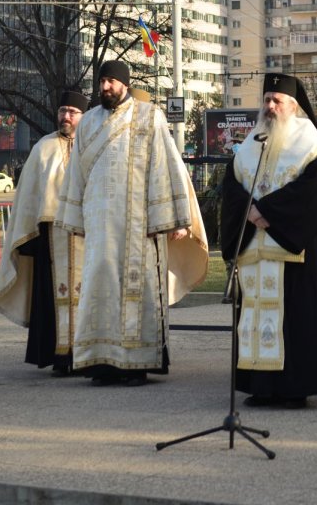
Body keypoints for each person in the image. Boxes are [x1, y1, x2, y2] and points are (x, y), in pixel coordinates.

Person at [55, 61, 208, 386]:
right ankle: (102, 364)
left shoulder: (149, 116)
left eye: (111, 81)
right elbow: (76, 174)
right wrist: (74, 218)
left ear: (124, 83)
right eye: (102, 81)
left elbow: (166, 167)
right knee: (99, 291)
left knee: (137, 294)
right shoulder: (88, 122)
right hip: (100, 226)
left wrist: (171, 219)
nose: (105, 87)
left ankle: (135, 366)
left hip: (139, 227)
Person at [220, 73, 317, 409]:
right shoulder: (252, 142)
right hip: (255, 251)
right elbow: (232, 185)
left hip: (293, 251)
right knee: (253, 318)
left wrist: (267, 212)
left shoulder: (309, 142)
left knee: (294, 320)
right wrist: (249, 211)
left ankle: (293, 389)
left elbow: (315, 193)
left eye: (277, 101)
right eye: (266, 100)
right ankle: (260, 387)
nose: (270, 106)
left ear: (293, 106)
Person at [0, 90, 89, 376]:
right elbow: (29, 197)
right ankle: (58, 357)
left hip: (88, 234)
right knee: (51, 297)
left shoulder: (94, 146)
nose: (66, 116)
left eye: (72, 112)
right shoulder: (43, 148)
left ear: (84, 117)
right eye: (62, 111)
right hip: (51, 239)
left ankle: (88, 356)